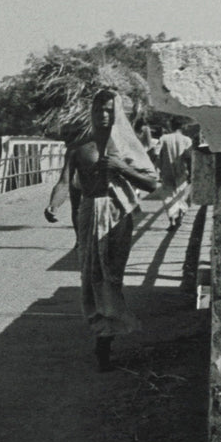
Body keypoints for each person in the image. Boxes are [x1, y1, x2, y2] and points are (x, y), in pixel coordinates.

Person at [44, 89, 160, 371]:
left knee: (111, 276)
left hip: (117, 213)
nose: (103, 115)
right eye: (98, 109)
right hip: (89, 211)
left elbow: (151, 183)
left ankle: (108, 333)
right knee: (91, 275)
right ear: (92, 112)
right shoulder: (80, 147)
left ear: (117, 112)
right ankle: (102, 333)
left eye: (109, 109)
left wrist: (122, 167)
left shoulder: (128, 147)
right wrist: (53, 205)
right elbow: (64, 183)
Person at [155, 125, 194, 228]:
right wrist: (191, 172)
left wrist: (158, 166)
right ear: (183, 128)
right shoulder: (187, 140)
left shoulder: (163, 138)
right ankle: (180, 212)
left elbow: (155, 153)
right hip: (182, 172)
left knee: (168, 196)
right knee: (181, 195)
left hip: (166, 171)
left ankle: (172, 219)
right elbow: (189, 157)